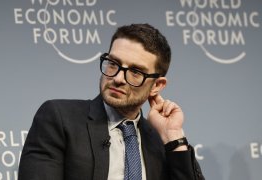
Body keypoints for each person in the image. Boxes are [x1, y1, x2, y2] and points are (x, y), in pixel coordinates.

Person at [18, 23, 205, 180]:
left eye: (136, 72)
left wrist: (174, 138)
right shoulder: (60, 118)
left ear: (157, 85)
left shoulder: (160, 143)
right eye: (113, 63)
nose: (118, 78)